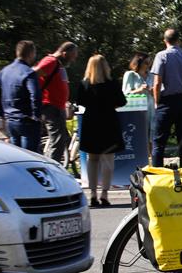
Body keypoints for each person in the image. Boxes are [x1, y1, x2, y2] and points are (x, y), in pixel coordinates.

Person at [75, 55, 127, 207]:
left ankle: (92, 194)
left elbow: (80, 102)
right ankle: (104, 193)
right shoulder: (112, 83)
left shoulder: (84, 84)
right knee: (108, 160)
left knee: (93, 159)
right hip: (109, 122)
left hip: (91, 123)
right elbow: (122, 102)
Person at [150, 28, 182, 168]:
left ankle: (157, 174)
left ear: (165, 41)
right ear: (179, 41)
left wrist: (156, 101)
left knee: (159, 141)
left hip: (166, 102)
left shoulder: (161, 56)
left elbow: (157, 82)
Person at [0, 41, 42, 151]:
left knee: (17, 154)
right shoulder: (29, 73)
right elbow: (35, 95)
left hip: (10, 120)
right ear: (31, 54)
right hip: (27, 120)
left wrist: (1, 113)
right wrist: (36, 116)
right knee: (30, 157)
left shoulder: (4, 71)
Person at [35, 41, 78, 164]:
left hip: (57, 108)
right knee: (57, 142)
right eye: (73, 56)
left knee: (62, 140)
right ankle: (51, 171)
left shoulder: (58, 65)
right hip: (51, 108)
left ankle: (52, 168)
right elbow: (33, 74)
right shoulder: (50, 61)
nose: (74, 60)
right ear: (65, 53)